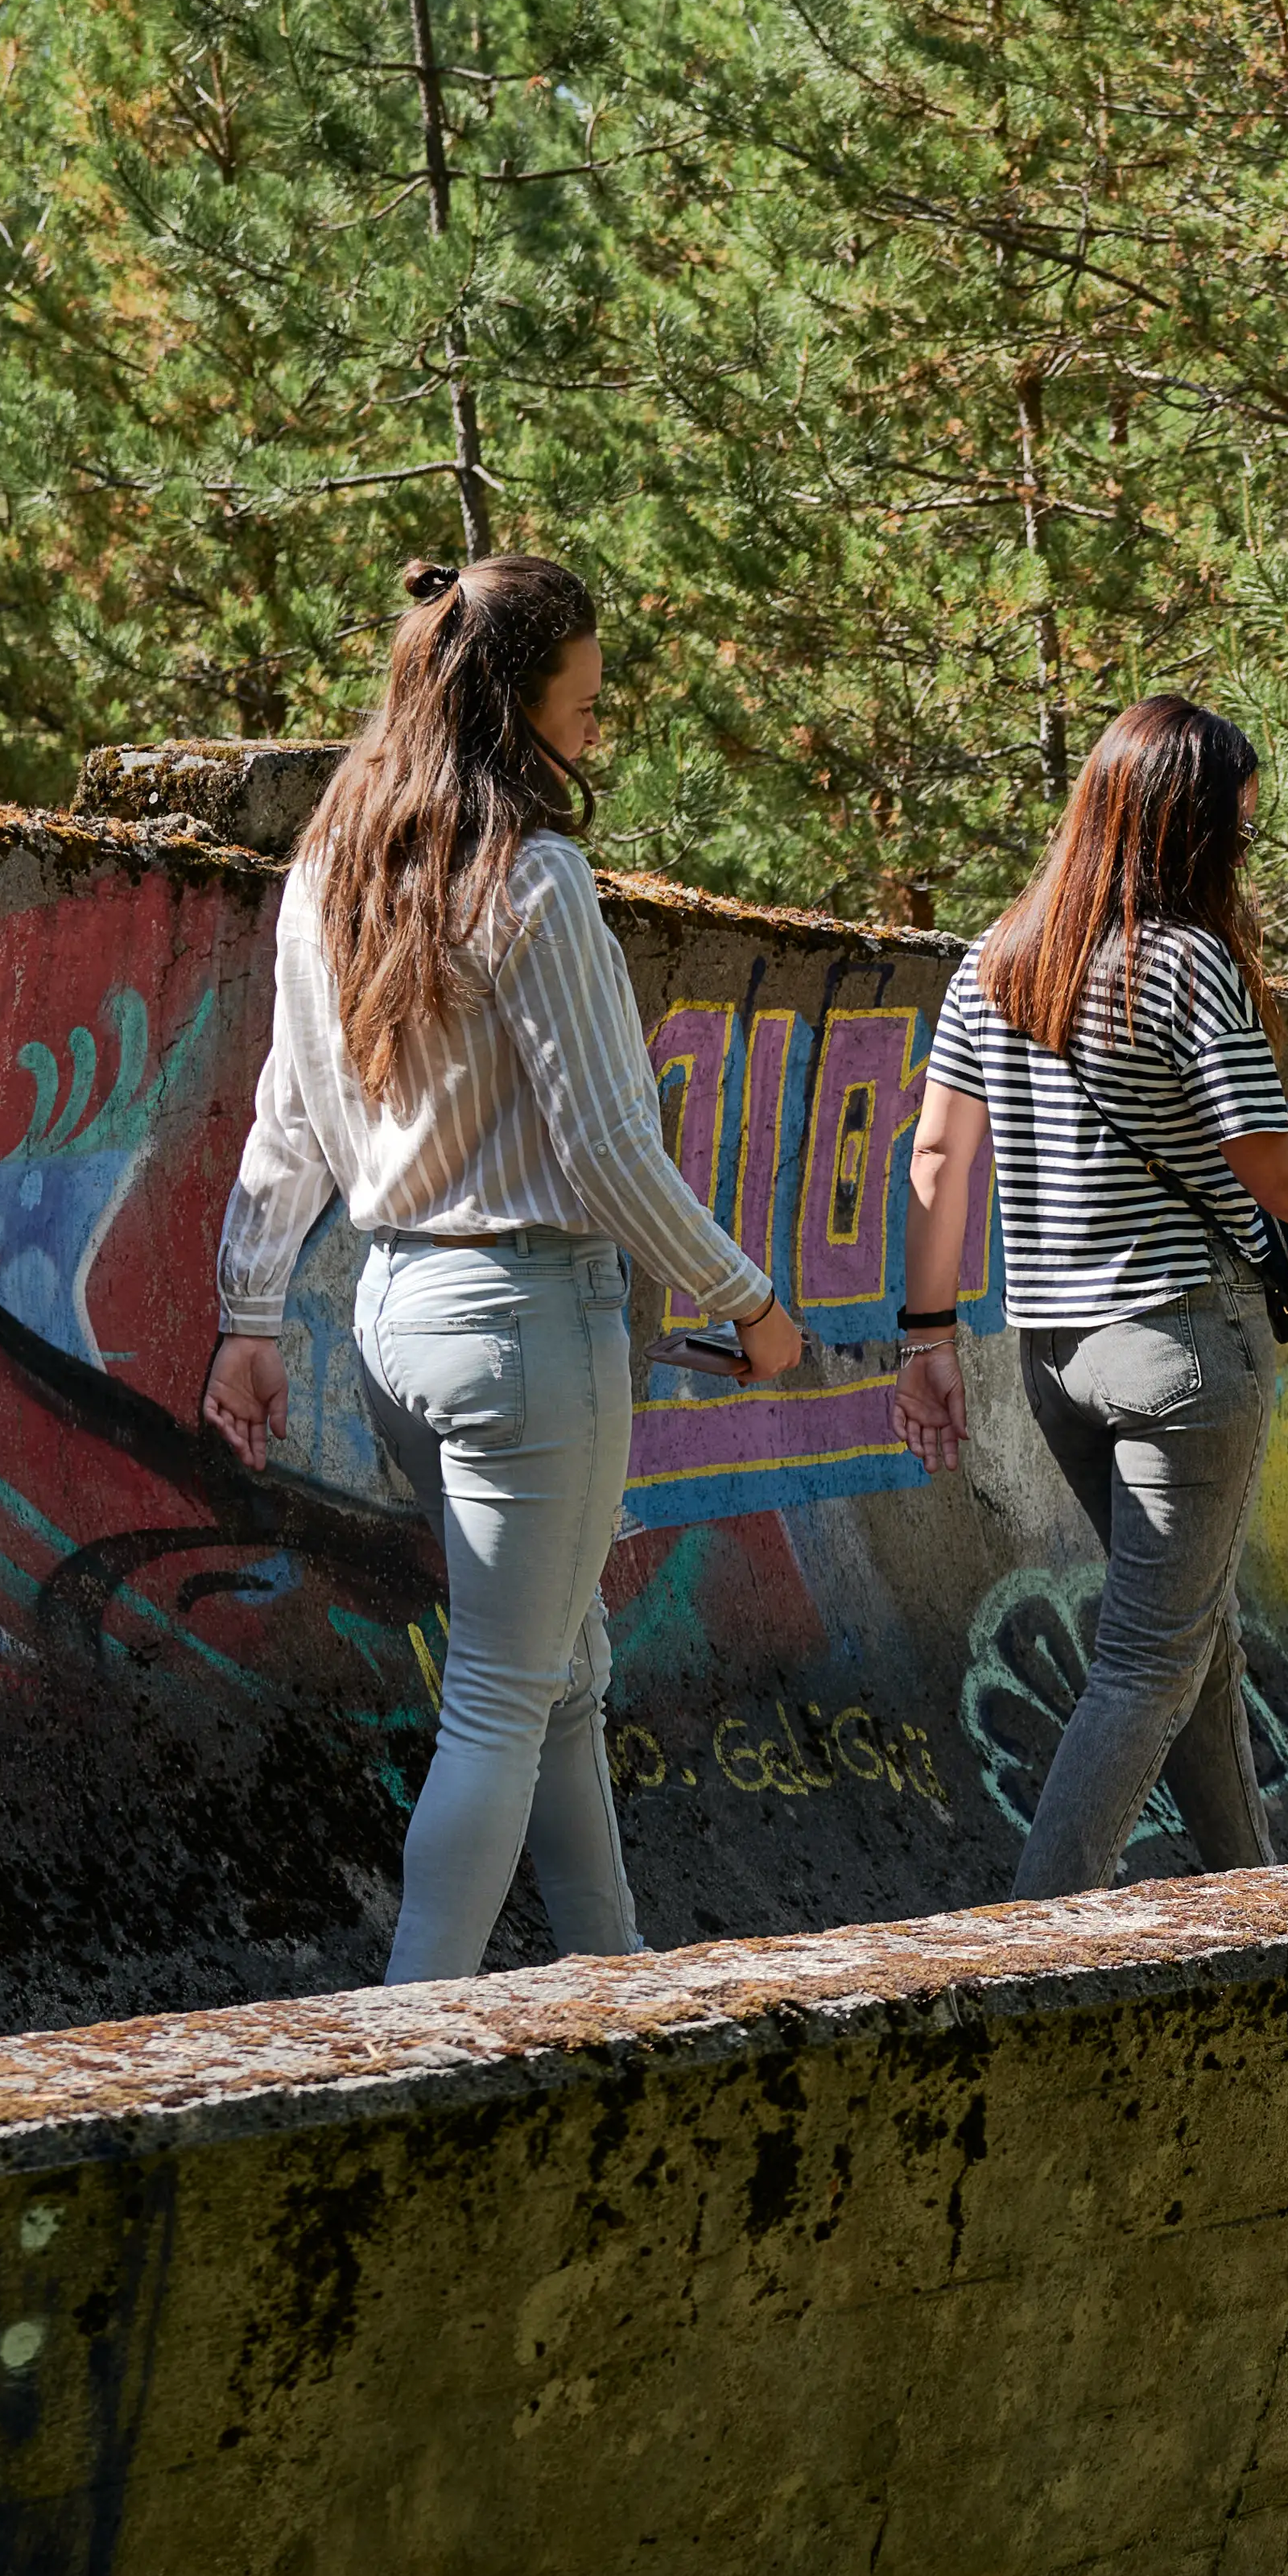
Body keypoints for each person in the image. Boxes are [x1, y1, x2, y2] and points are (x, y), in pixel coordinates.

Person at [204, 556, 800, 1984]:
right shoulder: (529, 876)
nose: (597, 732)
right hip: (528, 1324)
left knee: (559, 1675)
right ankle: (411, 2050)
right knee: (498, 1699)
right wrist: (750, 1304)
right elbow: (604, 1142)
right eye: (583, 705)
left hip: (393, 1317)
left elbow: (290, 1106)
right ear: (509, 709)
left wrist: (249, 1311)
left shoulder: (331, 873)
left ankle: (614, 1978)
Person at [894, 697, 1288, 1899]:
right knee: (1147, 1661)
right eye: (1238, 833)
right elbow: (1271, 1165)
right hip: (1184, 1347)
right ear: (1187, 833)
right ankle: (1037, 1935)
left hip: (1057, 1361)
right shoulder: (1182, 963)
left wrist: (926, 1336)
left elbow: (937, 1161)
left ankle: (1255, 1898)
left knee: (1193, 1639)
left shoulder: (997, 961)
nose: (1244, 857)